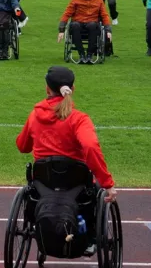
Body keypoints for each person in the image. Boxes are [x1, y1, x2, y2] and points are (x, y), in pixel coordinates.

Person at [16, 66, 117, 209]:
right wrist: (108, 184)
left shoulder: (35, 116)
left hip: (44, 183)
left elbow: (22, 146)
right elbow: (90, 146)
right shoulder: (79, 119)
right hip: (76, 183)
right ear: (72, 89)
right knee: (98, 187)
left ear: (47, 89)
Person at [57, 0, 112, 64]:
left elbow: (104, 15)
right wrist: (61, 30)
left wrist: (108, 30)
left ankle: (89, 55)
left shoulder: (99, 0)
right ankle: (82, 55)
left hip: (92, 26)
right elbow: (66, 14)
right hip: (78, 24)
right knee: (75, 25)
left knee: (92, 25)